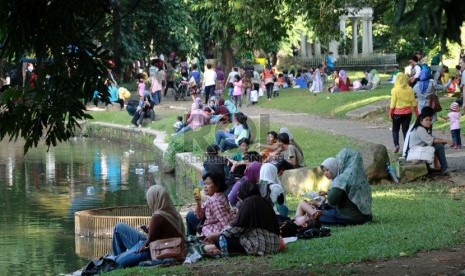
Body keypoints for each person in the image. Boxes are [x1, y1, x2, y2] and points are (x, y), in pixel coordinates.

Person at [110, 185, 186, 268]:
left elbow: (148, 243)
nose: (148, 201)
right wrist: (149, 231)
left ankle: (116, 261)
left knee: (118, 261)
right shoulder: (173, 213)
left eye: (149, 198)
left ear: (154, 199)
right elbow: (163, 234)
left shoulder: (157, 216)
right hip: (160, 244)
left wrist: (137, 251)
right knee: (119, 227)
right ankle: (118, 258)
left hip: (154, 250)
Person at [294, 148, 373, 226]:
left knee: (315, 214)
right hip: (365, 216)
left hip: (348, 217)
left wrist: (320, 202)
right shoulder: (359, 178)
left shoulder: (341, 180)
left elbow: (332, 201)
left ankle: (297, 221)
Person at [203, 181, 280, 256]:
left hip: (260, 246)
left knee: (220, 239)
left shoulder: (248, 202)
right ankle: (213, 249)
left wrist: (216, 235)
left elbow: (236, 228)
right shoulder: (265, 202)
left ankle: (210, 248)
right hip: (275, 245)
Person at [405, 109, 454, 173]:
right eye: (426, 120)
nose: (429, 122)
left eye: (430, 120)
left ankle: (432, 168)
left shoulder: (421, 128)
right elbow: (431, 140)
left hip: (418, 150)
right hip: (416, 152)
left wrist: (443, 141)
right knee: (439, 147)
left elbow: (431, 138)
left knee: (437, 145)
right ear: (421, 121)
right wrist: (446, 141)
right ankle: (445, 168)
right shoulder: (420, 129)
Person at [389, 73, 418, 153]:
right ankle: (407, 147)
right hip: (408, 113)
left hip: (397, 113)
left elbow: (393, 103)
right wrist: (417, 114)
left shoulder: (394, 90)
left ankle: (396, 145)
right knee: (405, 130)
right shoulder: (410, 89)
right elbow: (414, 102)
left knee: (395, 129)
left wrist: (390, 114)